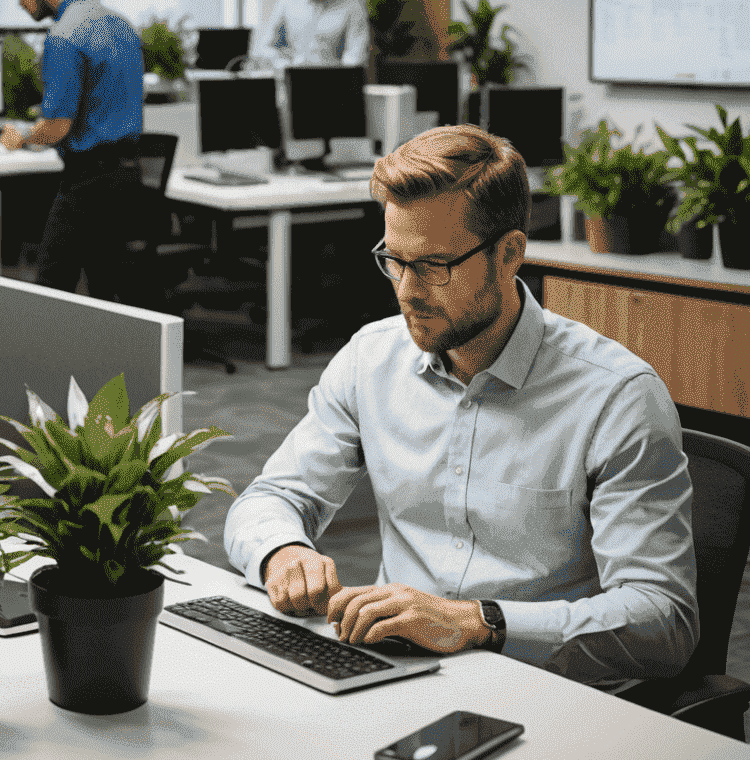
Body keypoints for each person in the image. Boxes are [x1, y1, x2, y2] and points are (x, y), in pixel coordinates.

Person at [225, 125, 697, 685]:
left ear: (510, 253)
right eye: (393, 260)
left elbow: (663, 623)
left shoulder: (616, 398)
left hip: (545, 691)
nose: (406, 288)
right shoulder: (371, 359)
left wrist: (480, 624)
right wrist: (282, 551)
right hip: (394, 672)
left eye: (433, 266)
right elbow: (272, 497)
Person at [0, 0, 143, 301]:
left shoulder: (64, 36)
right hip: (129, 175)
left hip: (88, 181)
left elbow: (57, 127)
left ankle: (47, 358)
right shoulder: (121, 24)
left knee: (53, 286)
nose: (20, 2)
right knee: (110, 285)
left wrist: (22, 138)